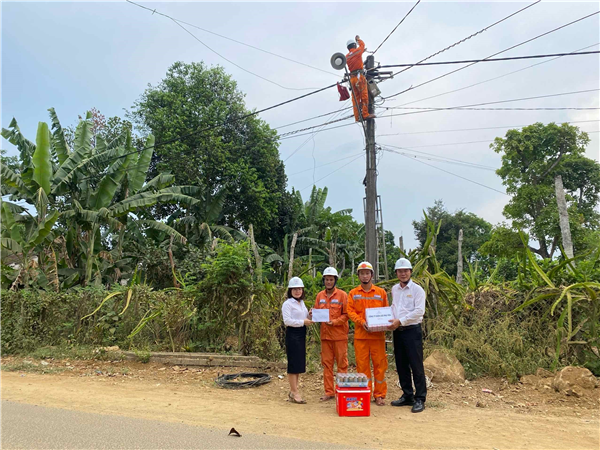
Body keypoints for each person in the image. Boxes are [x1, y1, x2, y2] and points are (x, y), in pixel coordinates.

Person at [347, 261, 389, 406]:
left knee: (379, 365)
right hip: (361, 336)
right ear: (358, 275)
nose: (365, 276)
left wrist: (384, 323)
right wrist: (361, 322)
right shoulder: (353, 293)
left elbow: (386, 311)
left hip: (378, 336)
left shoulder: (381, 293)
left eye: (367, 273)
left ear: (372, 275)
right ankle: (364, 392)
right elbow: (350, 312)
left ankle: (379, 394)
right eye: (362, 273)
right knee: (362, 367)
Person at [388, 258, 427, 413]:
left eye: (405, 271)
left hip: (412, 331)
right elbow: (394, 307)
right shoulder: (394, 289)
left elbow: (419, 312)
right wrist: (386, 319)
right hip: (398, 331)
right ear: (396, 273)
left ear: (410, 272)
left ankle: (420, 398)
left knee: (416, 365)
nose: (403, 273)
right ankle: (407, 395)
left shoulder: (417, 290)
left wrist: (400, 321)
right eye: (400, 271)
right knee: (401, 364)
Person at [313, 267, 349, 401]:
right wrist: (313, 314)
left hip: (339, 336)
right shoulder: (319, 296)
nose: (328, 282)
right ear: (324, 281)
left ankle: (342, 390)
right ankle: (329, 392)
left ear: (335, 281)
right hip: (325, 337)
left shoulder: (342, 295)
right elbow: (317, 312)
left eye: (331, 279)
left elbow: (346, 315)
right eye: (327, 279)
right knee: (327, 365)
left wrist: (334, 322)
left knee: (342, 364)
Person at [282, 276, 313, 404]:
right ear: (290, 291)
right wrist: (303, 321)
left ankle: (294, 390)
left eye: (299, 289)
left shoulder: (301, 303)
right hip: (293, 334)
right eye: (294, 289)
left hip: (301, 334)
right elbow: (287, 321)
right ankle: (294, 392)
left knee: (299, 363)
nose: (297, 291)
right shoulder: (287, 304)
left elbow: (304, 317)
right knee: (293, 364)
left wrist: (310, 315)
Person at [346, 35, 376, 122]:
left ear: (348, 48)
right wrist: (358, 39)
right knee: (364, 96)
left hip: (352, 79)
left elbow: (354, 56)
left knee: (355, 98)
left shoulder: (347, 56)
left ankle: (357, 117)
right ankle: (365, 114)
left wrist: (361, 52)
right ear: (354, 45)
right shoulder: (358, 51)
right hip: (360, 78)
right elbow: (362, 45)